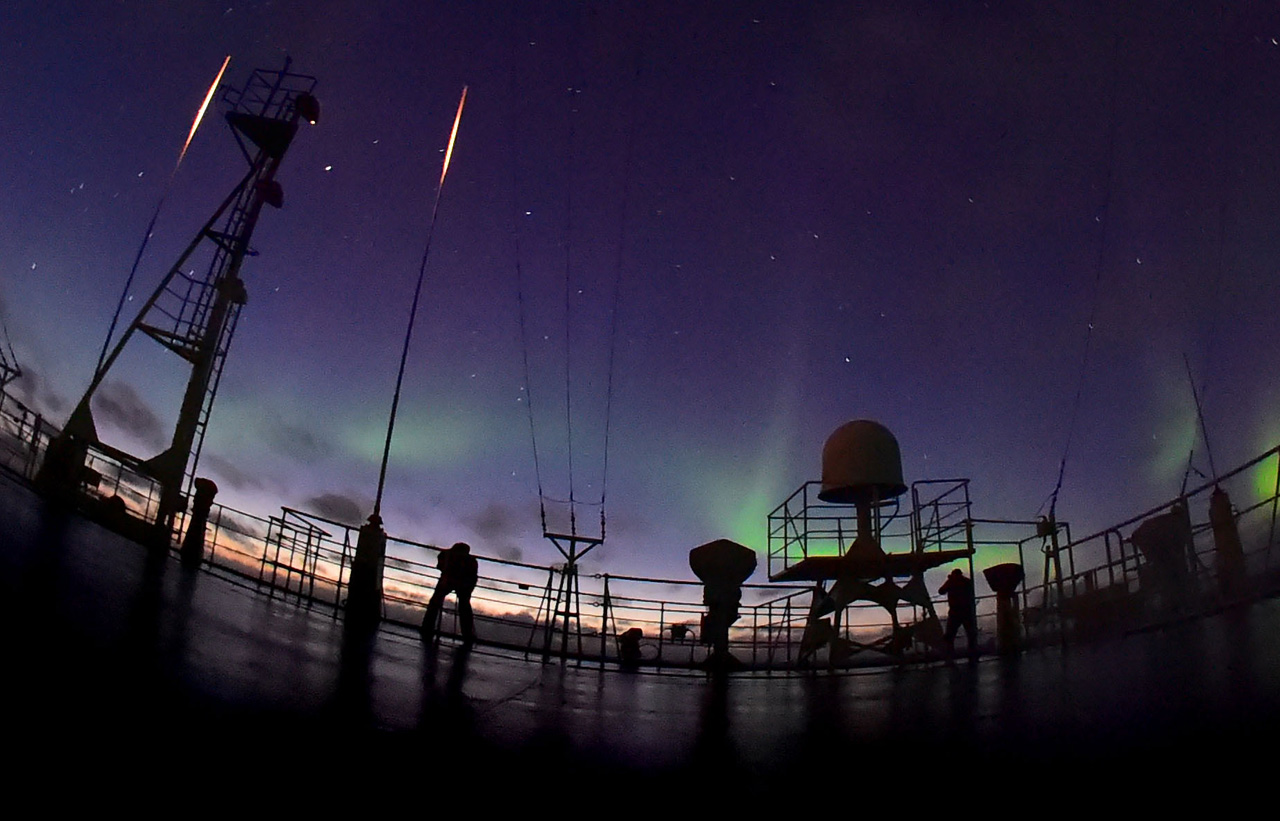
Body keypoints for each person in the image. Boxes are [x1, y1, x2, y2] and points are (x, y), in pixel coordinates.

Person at [420, 542, 479, 644]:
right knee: (464, 606)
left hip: (453, 580)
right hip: (456, 581)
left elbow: (440, 567)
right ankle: (468, 634)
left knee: (435, 602)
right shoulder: (471, 561)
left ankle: (427, 627)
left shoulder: (445, 555)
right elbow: (473, 578)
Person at [939, 568, 977, 657]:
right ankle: (972, 653)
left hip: (955, 611)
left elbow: (941, 591)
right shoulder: (967, 582)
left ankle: (950, 654)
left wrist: (949, 580)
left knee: (950, 634)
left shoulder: (951, 582)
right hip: (967, 611)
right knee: (970, 633)